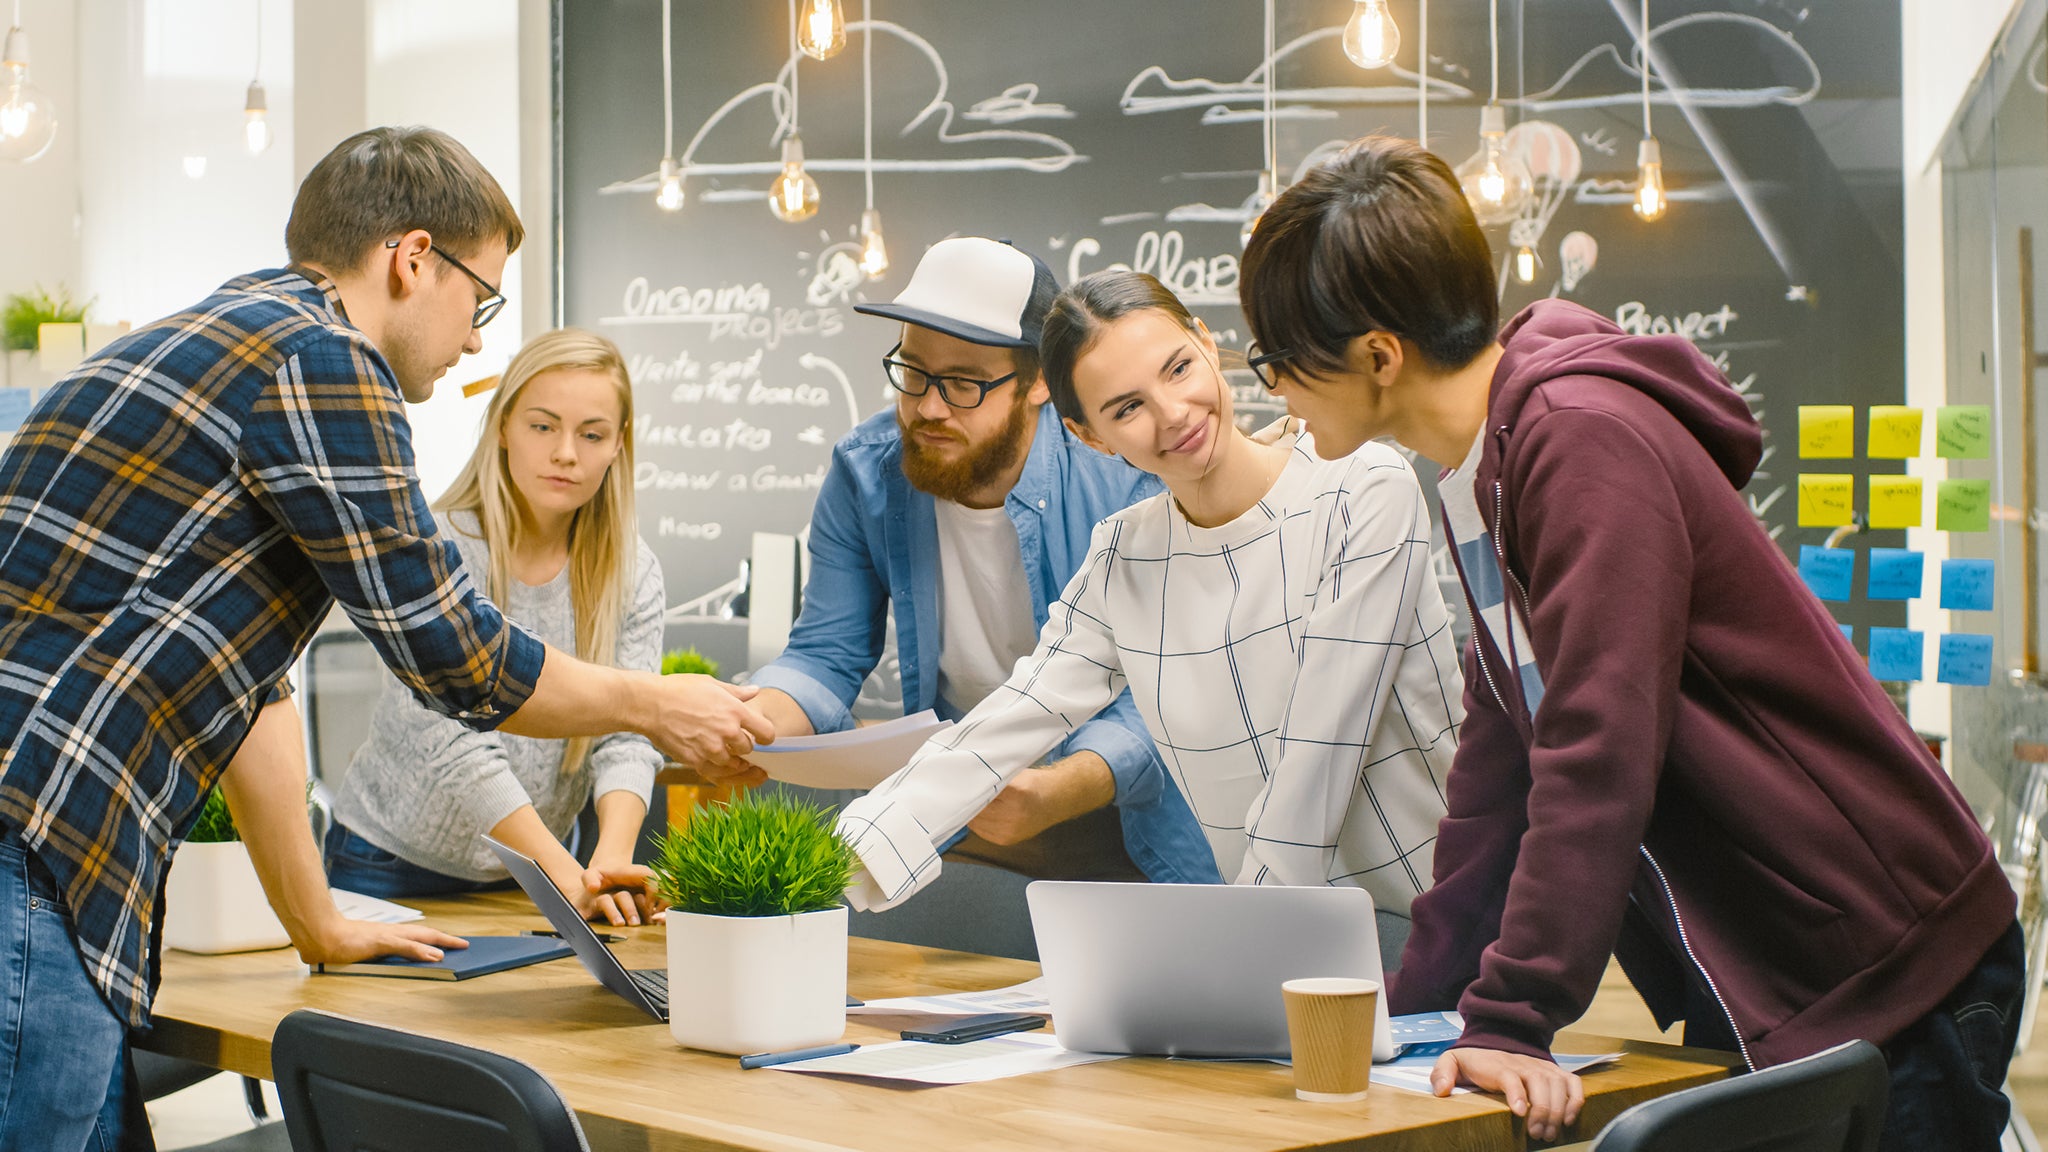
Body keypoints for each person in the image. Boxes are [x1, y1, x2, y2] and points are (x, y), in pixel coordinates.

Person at [1237, 134, 2022, 1149]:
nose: (1273, 394)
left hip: (1882, 952)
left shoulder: (1574, 438)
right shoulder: (1479, 475)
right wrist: (1426, 1009)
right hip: (1780, 963)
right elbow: (1499, 770)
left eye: (1276, 361)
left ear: (1377, 355)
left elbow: (1598, 746)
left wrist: (1515, 1017)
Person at [0, 126, 770, 1146]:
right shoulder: (324, 362)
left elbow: (253, 692)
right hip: (30, 848)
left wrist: (312, 921)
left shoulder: (218, 336)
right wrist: (657, 700)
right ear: (412, 259)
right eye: (479, 299)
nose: (475, 342)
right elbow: (459, 661)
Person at [834, 269, 1459, 922]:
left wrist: (1248, 947)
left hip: (1433, 926)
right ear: (1090, 436)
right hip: (1281, 928)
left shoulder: (1361, 491)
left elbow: (1319, 759)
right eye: (1126, 407)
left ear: (1205, 341)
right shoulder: (1125, 555)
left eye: (1179, 368)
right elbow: (1020, 711)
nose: (1173, 415)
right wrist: (852, 850)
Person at [735, 238, 1219, 886]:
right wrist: (748, 725)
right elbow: (826, 652)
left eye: (964, 383)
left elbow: (1168, 690)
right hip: (968, 805)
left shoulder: (1127, 475)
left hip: (1132, 817)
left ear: (1040, 382)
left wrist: (1059, 788)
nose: (928, 407)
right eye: (913, 371)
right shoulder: (866, 472)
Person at [325, 328, 663, 926]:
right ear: (503, 426)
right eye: (543, 425)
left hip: (537, 874)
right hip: (387, 866)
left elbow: (629, 733)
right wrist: (567, 875)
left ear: (618, 446)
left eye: (592, 434)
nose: (567, 452)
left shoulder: (632, 572)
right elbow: (451, 738)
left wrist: (607, 868)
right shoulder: (437, 546)